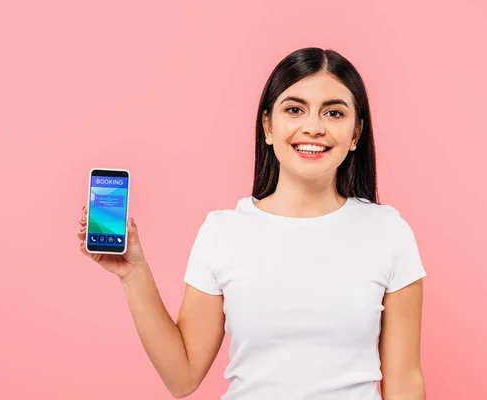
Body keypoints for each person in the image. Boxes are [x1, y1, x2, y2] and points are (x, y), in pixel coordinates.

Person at [76, 47, 427, 400]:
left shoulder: (387, 232)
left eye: (334, 112)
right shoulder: (222, 232)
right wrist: (132, 273)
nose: (313, 127)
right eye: (294, 109)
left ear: (355, 133)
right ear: (268, 127)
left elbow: (405, 381)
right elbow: (181, 378)